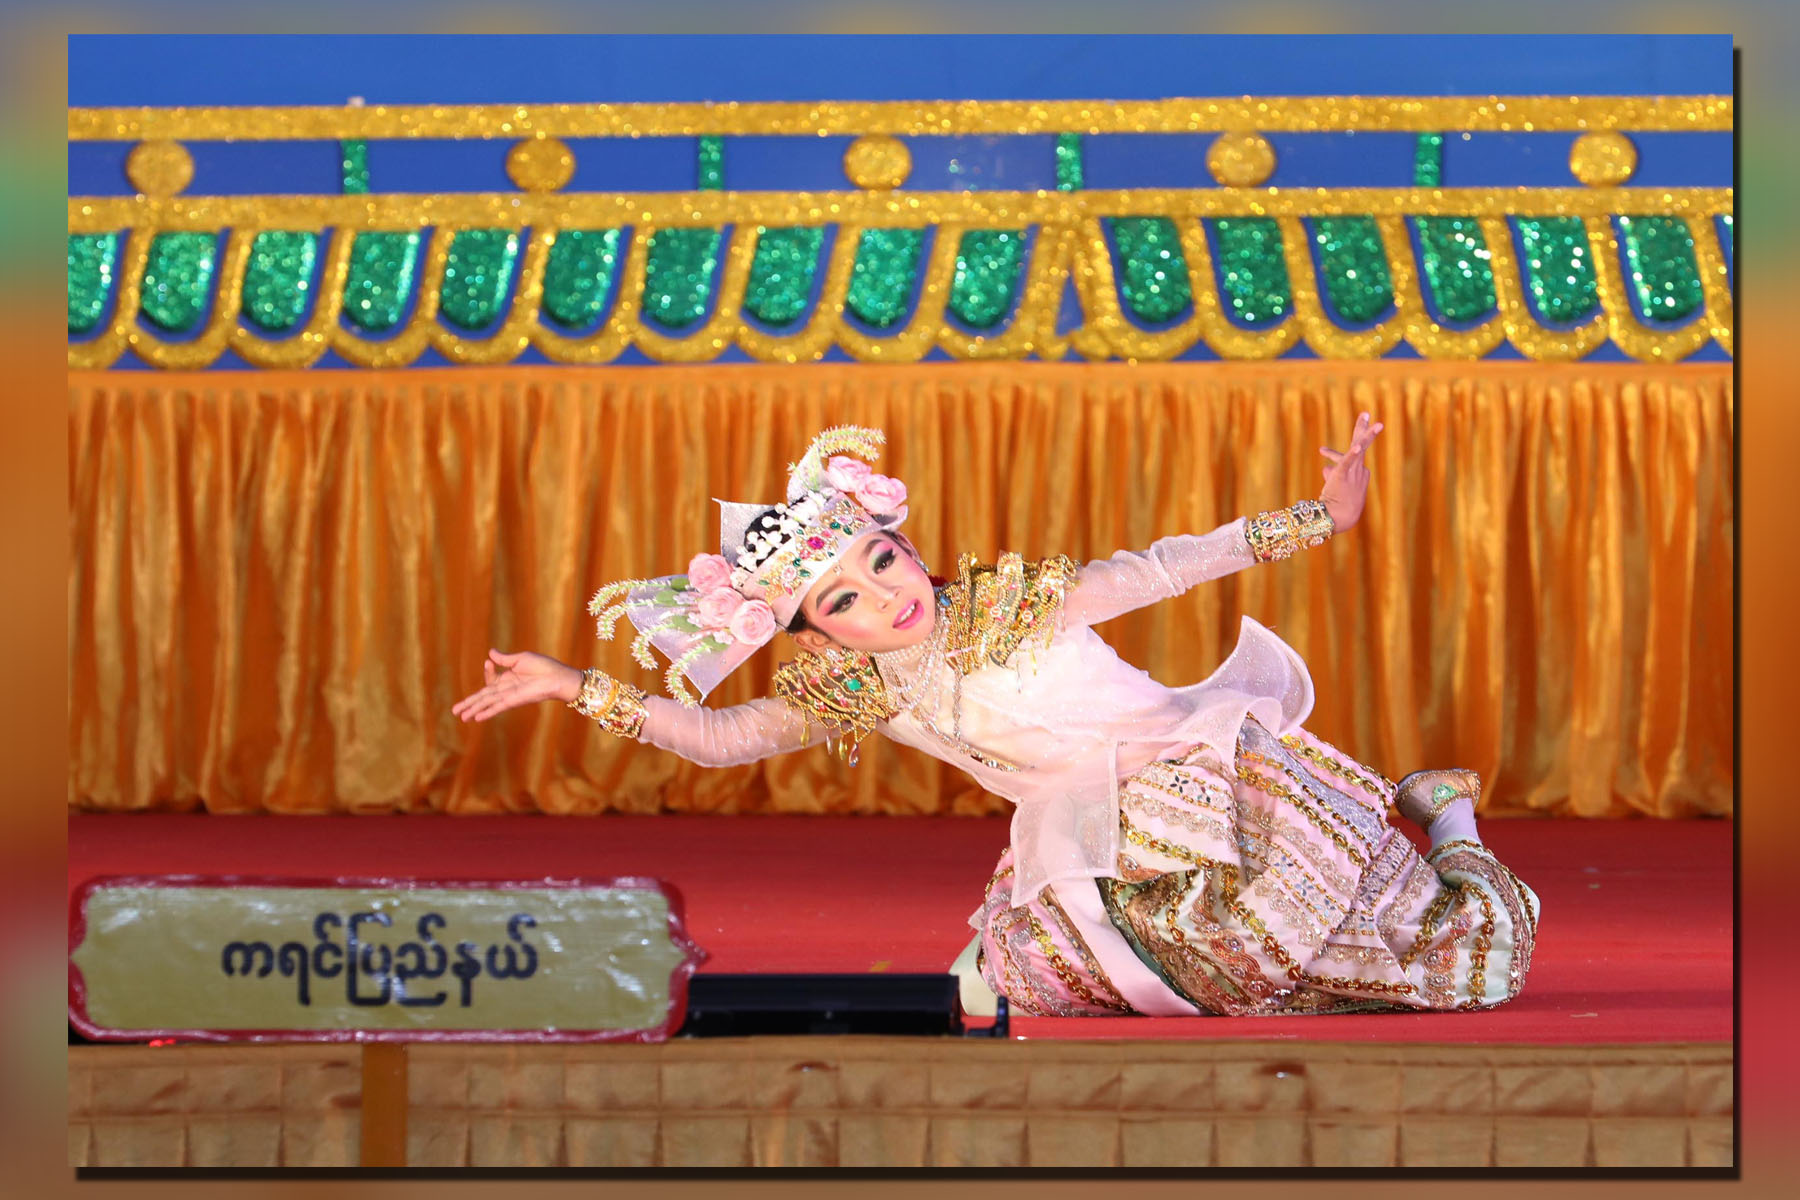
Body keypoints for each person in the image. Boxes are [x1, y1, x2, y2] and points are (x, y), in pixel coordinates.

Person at [452, 421, 1538, 1017]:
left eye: (882, 561)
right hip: (1083, 829)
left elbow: (1167, 565)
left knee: (1458, 970)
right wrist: (573, 684)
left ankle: (1446, 821)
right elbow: (719, 738)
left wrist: (1320, 518)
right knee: (1053, 986)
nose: (885, 597)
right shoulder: (861, 688)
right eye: (844, 601)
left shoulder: (1019, 602)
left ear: (907, 545)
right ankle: (1411, 834)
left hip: (1203, 781)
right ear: (819, 636)